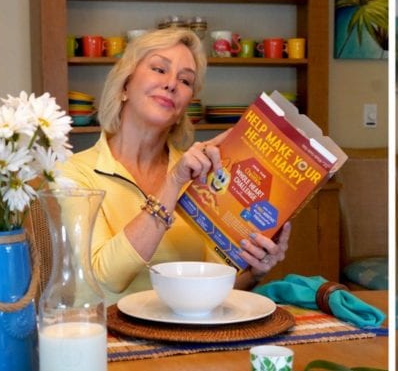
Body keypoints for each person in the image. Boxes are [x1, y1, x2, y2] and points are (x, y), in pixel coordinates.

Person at [58, 28, 291, 304]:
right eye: (159, 69)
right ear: (124, 84)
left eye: (185, 80)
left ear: (185, 105)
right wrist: (172, 183)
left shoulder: (201, 173)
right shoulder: (73, 172)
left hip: (187, 336)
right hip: (109, 339)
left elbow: (214, 288)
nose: (171, 84)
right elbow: (108, 277)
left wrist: (254, 271)